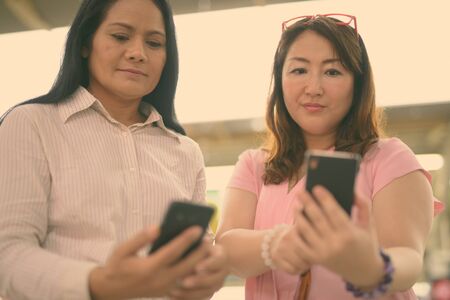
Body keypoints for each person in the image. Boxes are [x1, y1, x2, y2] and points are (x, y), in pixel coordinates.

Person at [0, 0, 228, 299]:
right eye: (120, 36)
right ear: (85, 43)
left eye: (154, 42)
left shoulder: (185, 152)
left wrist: (206, 274)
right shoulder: (32, 124)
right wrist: (98, 283)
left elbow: (193, 265)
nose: (138, 53)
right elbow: (8, 255)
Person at [216, 14, 444, 300]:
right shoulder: (254, 164)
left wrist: (370, 265)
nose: (314, 88)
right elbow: (225, 247)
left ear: (358, 84)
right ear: (279, 79)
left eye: (333, 72)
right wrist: (277, 243)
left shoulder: (389, 158)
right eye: (299, 70)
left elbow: (408, 259)